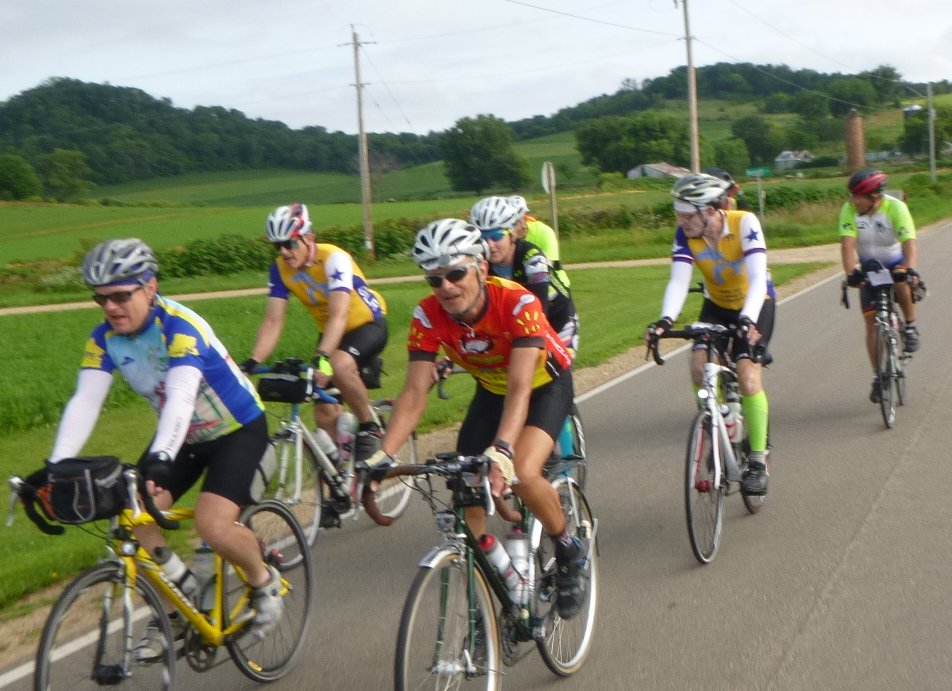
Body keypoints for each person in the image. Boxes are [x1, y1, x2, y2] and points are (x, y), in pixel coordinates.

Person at [39, 239, 283, 635]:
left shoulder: (181, 327)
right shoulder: (104, 339)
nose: (110, 308)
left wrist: (162, 455)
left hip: (236, 431)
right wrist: (56, 464)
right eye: (101, 299)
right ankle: (177, 607)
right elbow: (86, 400)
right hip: (184, 438)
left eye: (121, 296)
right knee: (132, 515)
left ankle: (263, 580)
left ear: (150, 288)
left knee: (213, 525)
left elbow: (181, 396)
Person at [364, 219, 589, 616]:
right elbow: (414, 393)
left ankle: (568, 549)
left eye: (455, 274)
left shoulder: (517, 302)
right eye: (435, 279)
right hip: (492, 391)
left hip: (543, 386)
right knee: (466, 496)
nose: (446, 287)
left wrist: (502, 450)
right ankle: (486, 609)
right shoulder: (428, 315)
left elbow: (520, 387)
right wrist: (384, 454)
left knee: (522, 470)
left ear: (482, 268)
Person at [643, 171, 774, 498]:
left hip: (755, 303)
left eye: (687, 215)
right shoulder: (685, 234)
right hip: (716, 305)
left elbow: (758, 278)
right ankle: (716, 426)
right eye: (678, 214)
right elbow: (679, 280)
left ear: (711, 211)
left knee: (747, 375)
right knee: (699, 366)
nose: (681, 221)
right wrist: (665, 320)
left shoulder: (745, 223)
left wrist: (747, 319)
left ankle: (758, 461)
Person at [247, 204, 388, 461]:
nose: (284, 252)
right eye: (277, 246)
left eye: (290, 243)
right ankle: (341, 473)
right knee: (324, 411)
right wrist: (252, 361)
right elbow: (273, 321)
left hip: (366, 325)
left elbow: (339, 315)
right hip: (331, 334)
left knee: (339, 365)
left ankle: (370, 426)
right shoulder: (279, 269)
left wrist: (322, 357)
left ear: (309, 238)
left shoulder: (334, 258)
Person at [838, 170, 922, 400]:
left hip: (895, 262)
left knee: (902, 281)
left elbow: (909, 243)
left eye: (857, 196)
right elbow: (847, 245)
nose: (852, 200)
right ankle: (878, 376)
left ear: (873, 197)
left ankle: (910, 326)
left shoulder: (896, 208)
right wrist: (851, 273)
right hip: (870, 268)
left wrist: (910, 269)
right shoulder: (849, 210)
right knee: (872, 325)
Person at [473, 194, 577, 352]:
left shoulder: (532, 258)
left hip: (557, 317)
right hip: (519, 321)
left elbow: (538, 313)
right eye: (483, 237)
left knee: (546, 364)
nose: (490, 245)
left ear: (513, 234)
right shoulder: (480, 263)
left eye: (496, 236)